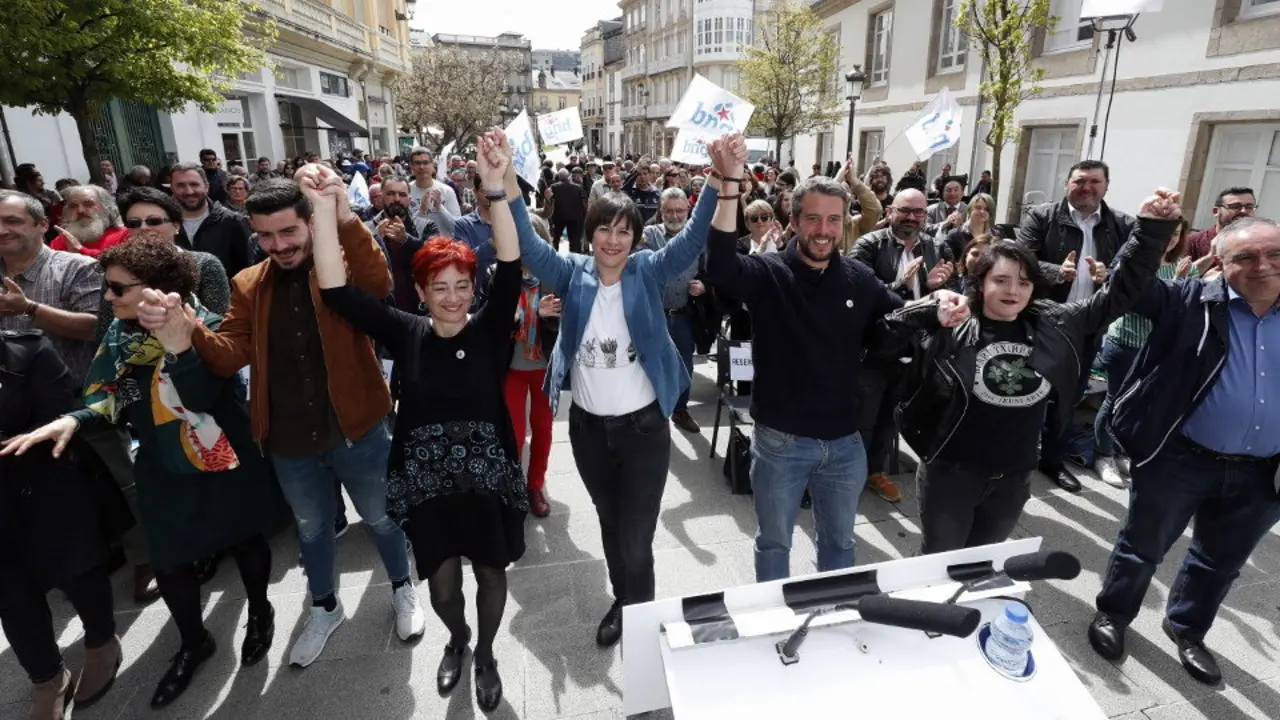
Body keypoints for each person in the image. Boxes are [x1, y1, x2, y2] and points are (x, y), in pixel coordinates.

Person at [135, 175, 424, 669]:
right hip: (290, 440)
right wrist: (188, 332)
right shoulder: (248, 285)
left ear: (310, 224)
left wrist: (346, 218)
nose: (278, 245)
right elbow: (228, 358)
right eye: (266, 236)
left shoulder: (339, 267)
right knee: (311, 530)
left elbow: (380, 283)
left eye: (288, 232)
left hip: (359, 426)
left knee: (381, 517)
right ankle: (324, 606)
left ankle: (402, 588)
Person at [4, 238, 290, 708]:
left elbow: (198, 398)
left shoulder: (209, 327)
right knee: (169, 557)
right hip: (160, 463)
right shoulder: (119, 337)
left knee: (244, 540)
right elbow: (105, 396)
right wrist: (71, 419)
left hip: (223, 458)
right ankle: (194, 641)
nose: (107, 298)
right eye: (106, 287)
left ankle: (260, 611)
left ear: (157, 289)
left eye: (117, 289)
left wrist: (179, 347)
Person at [309, 131, 524, 711]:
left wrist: (496, 187)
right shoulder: (405, 330)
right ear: (422, 292)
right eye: (439, 288)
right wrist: (323, 214)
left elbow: (510, 261)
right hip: (426, 482)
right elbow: (334, 290)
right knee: (444, 584)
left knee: (490, 571)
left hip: (487, 478)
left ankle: (486, 653)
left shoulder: (489, 327)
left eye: (461, 287)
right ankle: (456, 639)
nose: (452, 298)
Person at [510, 131, 745, 646]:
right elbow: (528, 244)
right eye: (604, 230)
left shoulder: (645, 270)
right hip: (590, 433)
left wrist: (716, 177)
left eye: (624, 231)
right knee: (611, 527)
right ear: (590, 234)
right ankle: (626, 599)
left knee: (637, 542)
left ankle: (641, 624)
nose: (613, 241)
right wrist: (505, 183)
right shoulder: (571, 273)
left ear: (636, 238)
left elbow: (691, 240)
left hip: (643, 433)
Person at [871, 191, 1179, 554]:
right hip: (951, 473)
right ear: (981, 282)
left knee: (984, 562)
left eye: (1023, 281)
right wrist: (924, 308)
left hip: (1014, 476)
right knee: (940, 561)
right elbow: (880, 341)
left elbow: (1119, 293)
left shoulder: (1057, 322)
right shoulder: (952, 321)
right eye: (1001, 280)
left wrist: (1151, 231)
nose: (1012, 290)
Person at [1090, 216, 1280, 686]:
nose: (1264, 266)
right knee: (1143, 548)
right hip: (1182, 458)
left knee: (1220, 561)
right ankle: (1113, 614)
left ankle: (1187, 628)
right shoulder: (1188, 303)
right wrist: (1153, 229)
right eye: (1247, 256)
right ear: (1220, 262)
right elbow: (1128, 286)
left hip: (1263, 473)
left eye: (1275, 254)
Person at [705, 174, 904, 582]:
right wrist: (728, 189)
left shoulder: (858, 278)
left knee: (840, 543)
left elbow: (899, 314)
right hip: (781, 442)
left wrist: (939, 303)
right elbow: (721, 268)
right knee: (775, 541)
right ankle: (775, 622)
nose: (824, 230)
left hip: (845, 445)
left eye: (834, 220)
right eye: (813, 219)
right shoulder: (768, 272)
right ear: (793, 221)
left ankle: (831, 616)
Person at [0, 330, 132, 720]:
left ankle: (102, 643)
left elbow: (60, 419)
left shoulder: (27, 352)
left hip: (45, 488)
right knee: (12, 597)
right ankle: (48, 679)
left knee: (78, 571)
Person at [1016, 159, 1136, 492]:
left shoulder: (1122, 224)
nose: (1087, 188)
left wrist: (1109, 275)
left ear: (1106, 186)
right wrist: (1055, 272)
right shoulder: (1042, 216)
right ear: (1067, 184)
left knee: (1068, 398)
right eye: (1080, 181)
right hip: (1042, 319)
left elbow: (1135, 276)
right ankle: (1018, 458)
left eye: (1094, 182)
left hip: (1088, 326)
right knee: (1027, 391)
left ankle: (1052, 461)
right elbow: (1020, 260)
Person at [849, 189, 956, 504]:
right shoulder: (869, 245)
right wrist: (900, 284)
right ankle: (849, 476)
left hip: (916, 349)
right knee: (863, 417)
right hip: (875, 348)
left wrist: (939, 287)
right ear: (890, 210)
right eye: (905, 210)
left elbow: (942, 297)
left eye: (919, 212)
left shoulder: (934, 247)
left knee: (891, 416)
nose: (912, 217)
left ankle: (875, 472)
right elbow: (856, 293)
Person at [1091, 219, 1213, 489]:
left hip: (1155, 346)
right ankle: (1103, 456)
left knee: (1139, 403)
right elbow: (1136, 302)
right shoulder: (1138, 264)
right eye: (1167, 233)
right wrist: (1180, 281)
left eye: (1177, 234)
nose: (1170, 239)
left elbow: (1188, 294)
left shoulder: (1176, 264)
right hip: (1124, 343)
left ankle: (1122, 451)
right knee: (1114, 401)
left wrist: (1206, 261)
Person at [505, 214, 560, 519]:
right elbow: (487, 319)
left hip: (543, 364)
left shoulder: (554, 279)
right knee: (512, 432)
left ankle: (535, 485)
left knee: (543, 429)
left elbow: (571, 324)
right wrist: (510, 316)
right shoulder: (501, 274)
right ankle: (513, 484)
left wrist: (551, 316)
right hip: (511, 366)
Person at [169, 162, 254, 278]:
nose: (189, 191)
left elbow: (249, 271)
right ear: (172, 189)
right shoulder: (163, 224)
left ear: (207, 187)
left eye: (194, 184)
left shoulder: (232, 221)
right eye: (180, 186)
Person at [49, 185, 130, 257]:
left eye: (88, 204)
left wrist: (81, 250)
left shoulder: (124, 235)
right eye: (73, 206)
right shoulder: (61, 241)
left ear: (106, 207)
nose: (80, 210)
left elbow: (119, 265)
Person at [1186, 186, 1256, 261]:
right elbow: (1179, 272)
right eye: (1235, 206)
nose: (1244, 211)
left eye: (1249, 207)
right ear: (1216, 211)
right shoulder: (1193, 242)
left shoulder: (1260, 242)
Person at [943, 193, 994, 260]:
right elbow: (949, 264)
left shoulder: (995, 235)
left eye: (987, 209)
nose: (982, 211)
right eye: (978, 208)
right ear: (970, 210)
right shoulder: (954, 235)